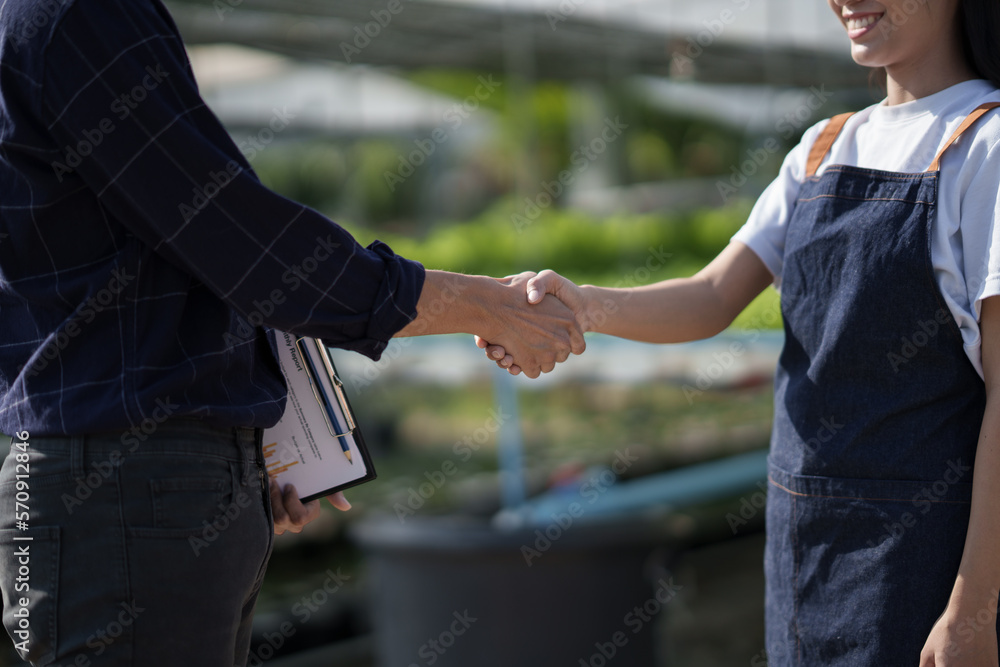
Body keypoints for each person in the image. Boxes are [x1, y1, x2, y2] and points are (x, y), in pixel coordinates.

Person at [0, 0, 583, 665]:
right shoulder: (76, 15)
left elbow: (172, 254)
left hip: (123, 483)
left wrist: (247, 444)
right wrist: (486, 305)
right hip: (125, 489)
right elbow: (238, 237)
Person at [482, 0, 1000, 664]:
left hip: (921, 561)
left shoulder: (984, 145)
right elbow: (710, 296)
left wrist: (972, 608)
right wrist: (580, 304)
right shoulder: (824, 146)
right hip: (801, 546)